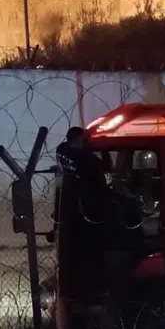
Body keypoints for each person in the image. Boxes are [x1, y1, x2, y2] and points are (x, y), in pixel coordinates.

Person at [52, 126, 111, 306]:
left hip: (89, 213)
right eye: (84, 138)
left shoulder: (82, 158)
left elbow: (105, 168)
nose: (87, 141)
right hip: (76, 214)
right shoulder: (67, 153)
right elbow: (91, 166)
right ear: (76, 138)